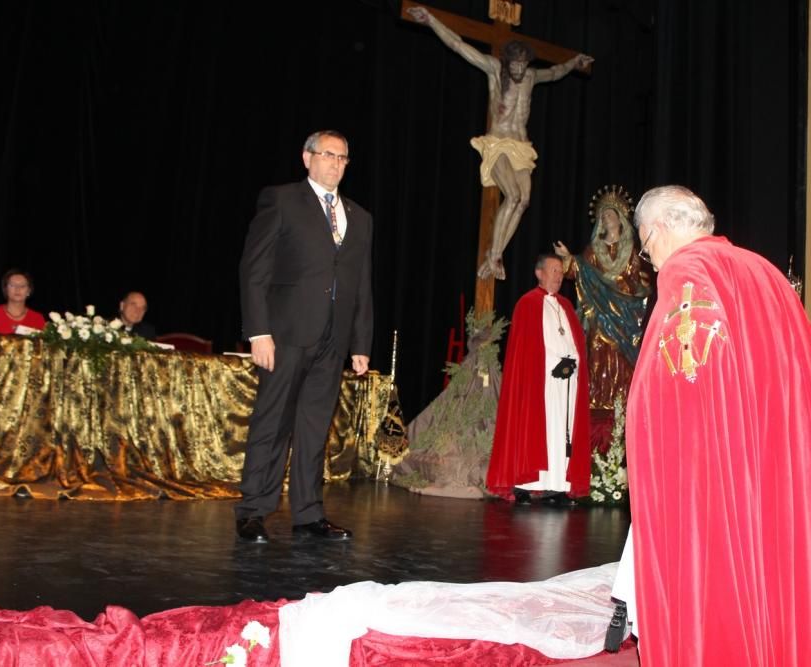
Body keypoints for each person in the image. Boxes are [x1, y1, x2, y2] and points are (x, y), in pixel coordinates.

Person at [626, 185, 811, 665]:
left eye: (646, 248)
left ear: (660, 229)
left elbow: (676, 379)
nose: (653, 263)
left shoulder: (686, 271)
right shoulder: (763, 270)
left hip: (722, 473)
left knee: (722, 585)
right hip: (778, 463)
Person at [236, 130, 373, 543]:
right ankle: (254, 510)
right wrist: (258, 331)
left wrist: (360, 345)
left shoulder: (360, 217)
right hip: (287, 333)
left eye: (343, 157)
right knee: (273, 422)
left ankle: (309, 514)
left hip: (333, 338)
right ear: (307, 157)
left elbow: (362, 284)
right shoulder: (281, 200)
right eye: (328, 155)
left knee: (315, 427)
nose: (336, 163)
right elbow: (254, 270)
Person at [407, 6, 593, 281]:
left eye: (523, 64)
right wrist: (431, 20)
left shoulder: (530, 77)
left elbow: (554, 72)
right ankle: (495, 254)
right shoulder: (494, 69)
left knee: (524, 200)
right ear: (507, 61)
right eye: (515, 64)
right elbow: (458, 45)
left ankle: (495, 255)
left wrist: (574, 61)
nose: (519, 69)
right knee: (513, 195)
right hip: (498, 143)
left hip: (521, 146)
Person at [485, 254, 591, 505]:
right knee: (536, 430)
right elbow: (527, 351)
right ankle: (527, 484)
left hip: (566, 383)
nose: (558, 275)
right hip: (539, 384)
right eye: (553, 270)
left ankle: (557, 487)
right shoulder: (527, 304)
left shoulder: (566, 306)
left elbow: (575, 342)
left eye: (560, 271)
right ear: (539, 273)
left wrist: (572, 362)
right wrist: (555, 363)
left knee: (561, 432)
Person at [553, 185, 652, 410]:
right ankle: (597, 398)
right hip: (599, 313)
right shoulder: (592, 251)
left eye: (609, 214)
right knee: (597, 349)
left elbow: (642, 282)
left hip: (626, 316)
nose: (605, 218)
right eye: (602, 215)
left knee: (623, 356)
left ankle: (623, 400)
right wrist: (568, 258)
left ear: (620, 219)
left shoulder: (632, 251)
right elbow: (579, 271)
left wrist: (631, 287)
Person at [0, 269, 46, 335]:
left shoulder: (37, 318)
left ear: (29, 291)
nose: (17, 289)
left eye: (22, 286)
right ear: (6, 289)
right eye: (12, 285)